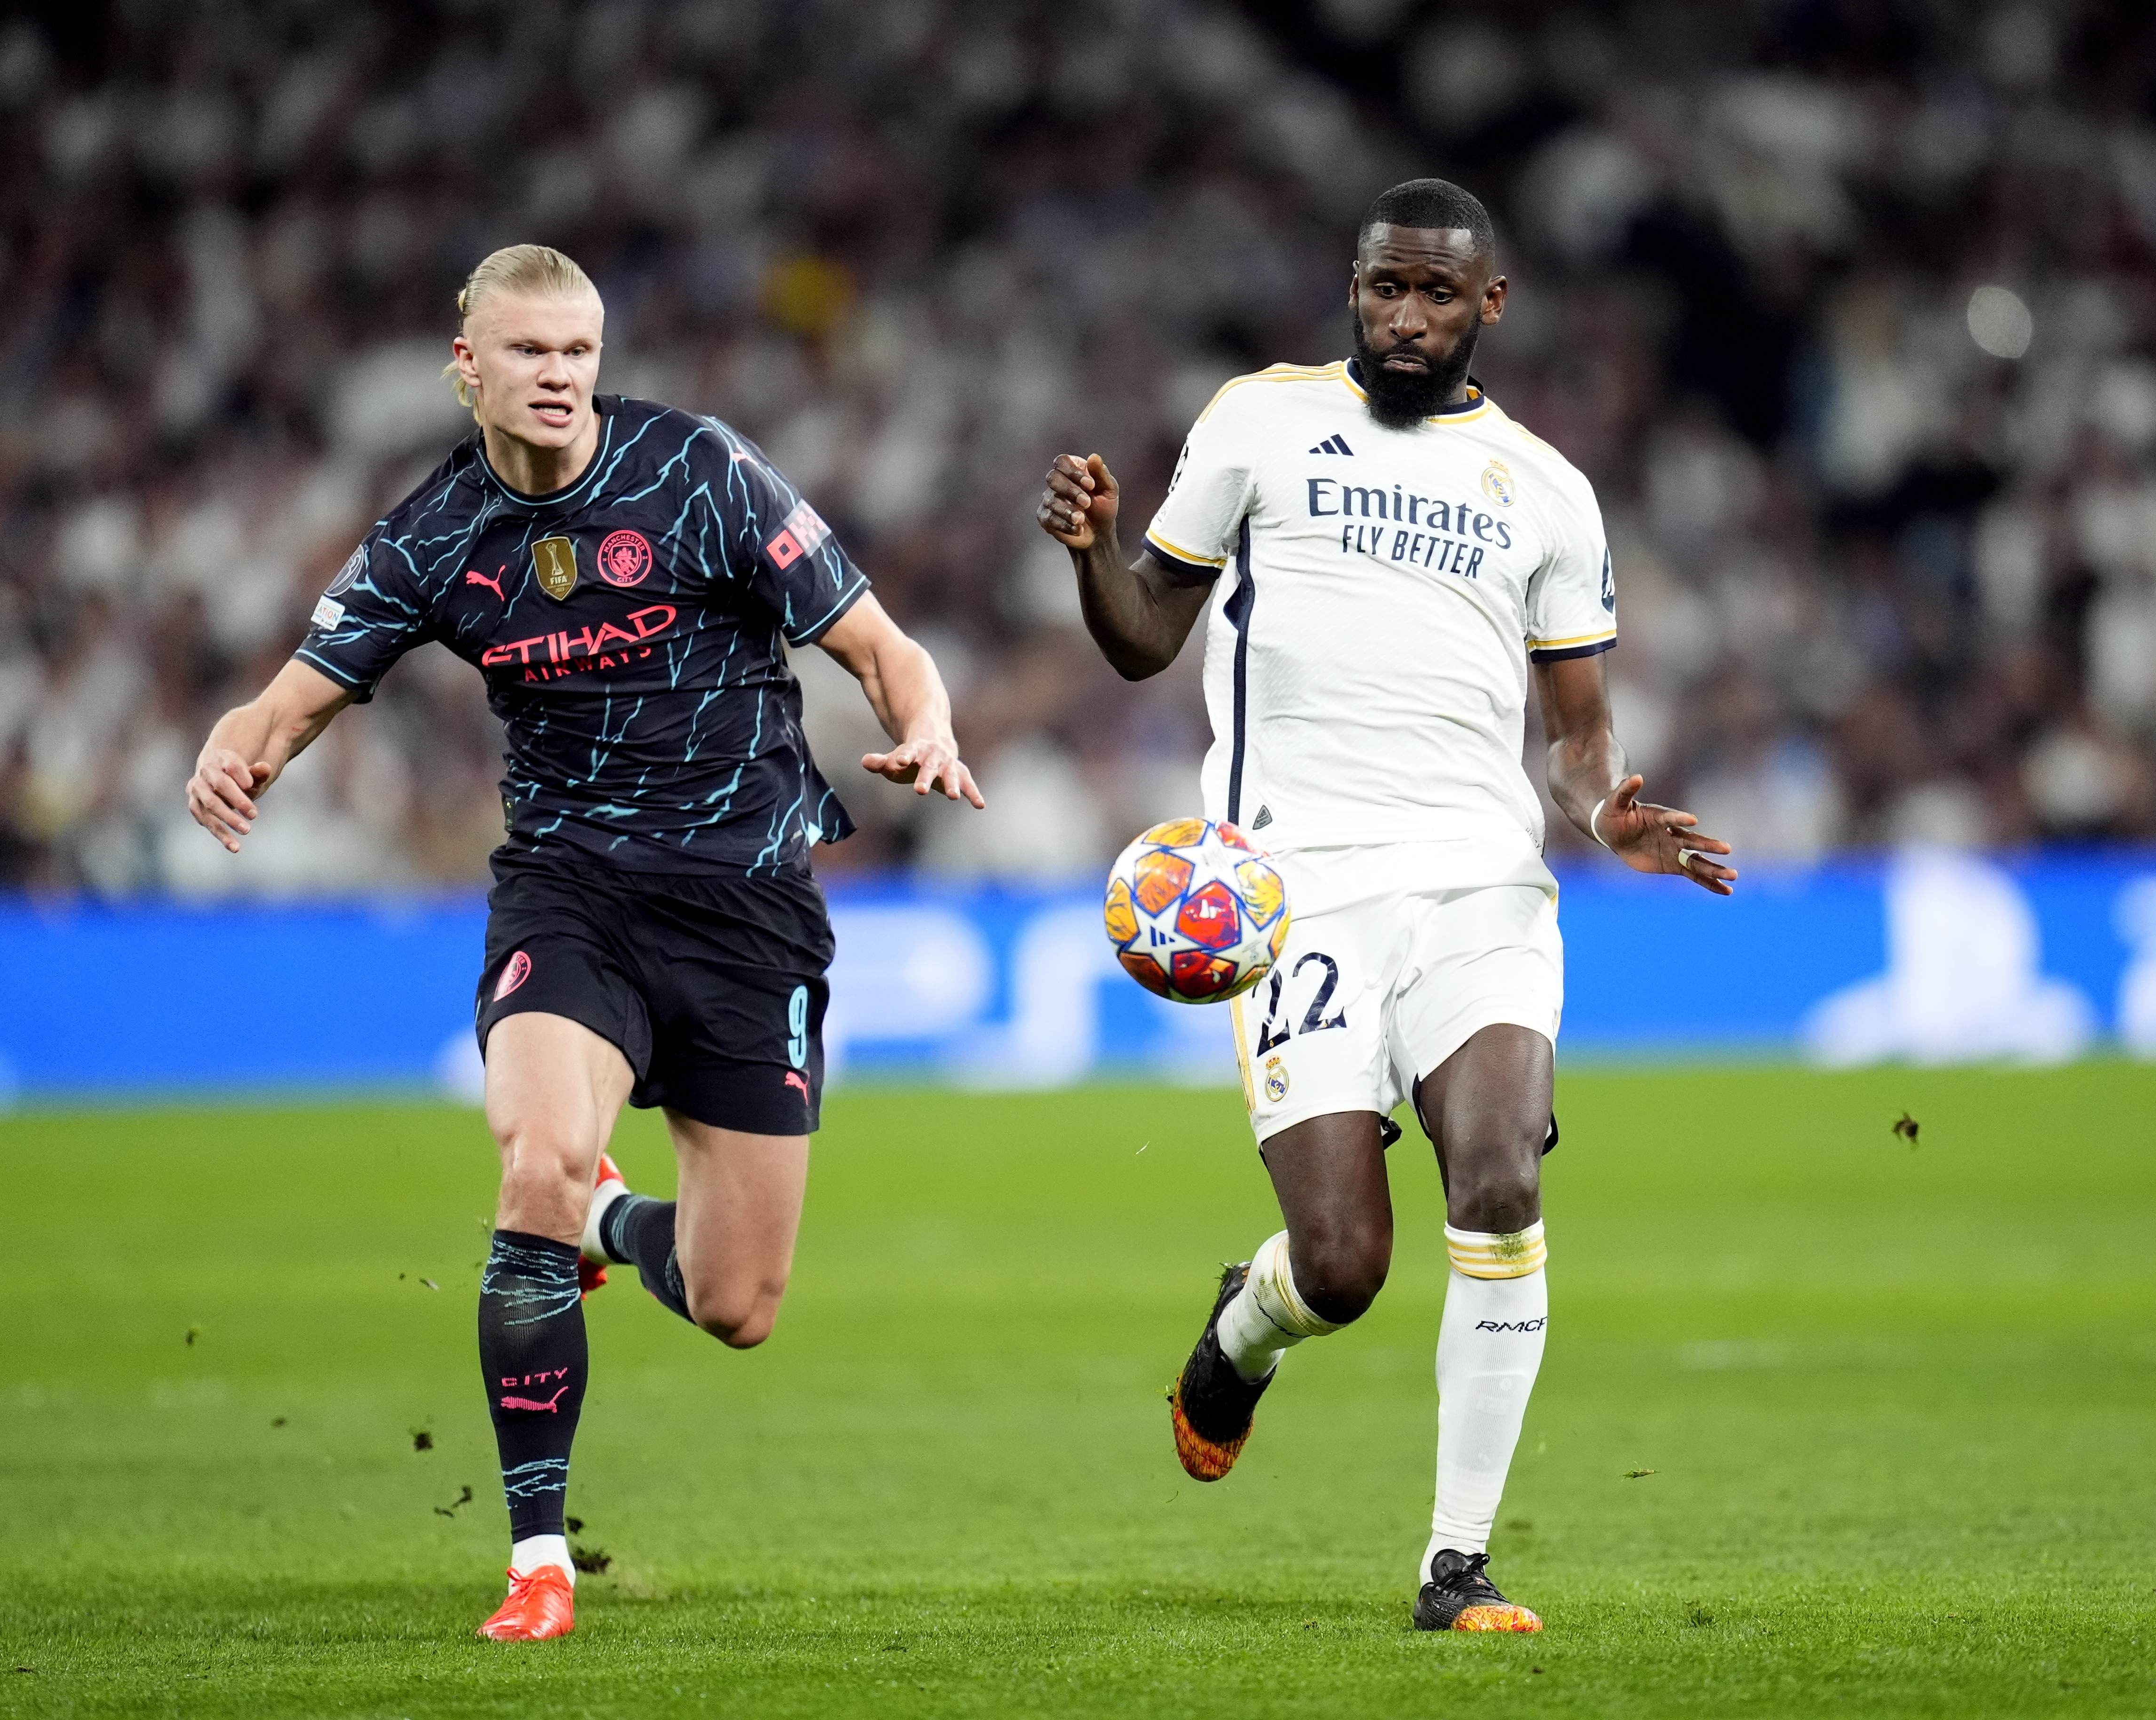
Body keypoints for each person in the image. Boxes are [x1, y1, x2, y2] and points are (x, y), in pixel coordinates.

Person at [188, 244, 981, 1641]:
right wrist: (233, 751)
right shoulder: (432, 538)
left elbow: (881, 648)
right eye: (528, 353)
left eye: (577, 352)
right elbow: (292, 702)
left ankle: (617, 1221)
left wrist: (925, 723)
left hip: (747, 907)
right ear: (468, 368)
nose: (558, 377)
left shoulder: (702, 473)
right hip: (572, 897)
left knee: (739, 1303)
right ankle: (537, 1560)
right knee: (534, 1165)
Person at [1037, 180, 1736, 1634]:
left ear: (1491, 305)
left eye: (1434, 294)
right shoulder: (1256, 421)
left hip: (1481, 879)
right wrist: (1094, 557)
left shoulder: (1545, 487)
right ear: (1352, 290)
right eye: (1381, 290)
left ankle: (1455, 1564)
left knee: (1498, 1175)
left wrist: (1610, 812)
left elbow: (1577, 728)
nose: (1403, 318)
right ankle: (1245, 1332)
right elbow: (1141, 641)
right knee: (1345, 1267)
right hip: (1297, 892)